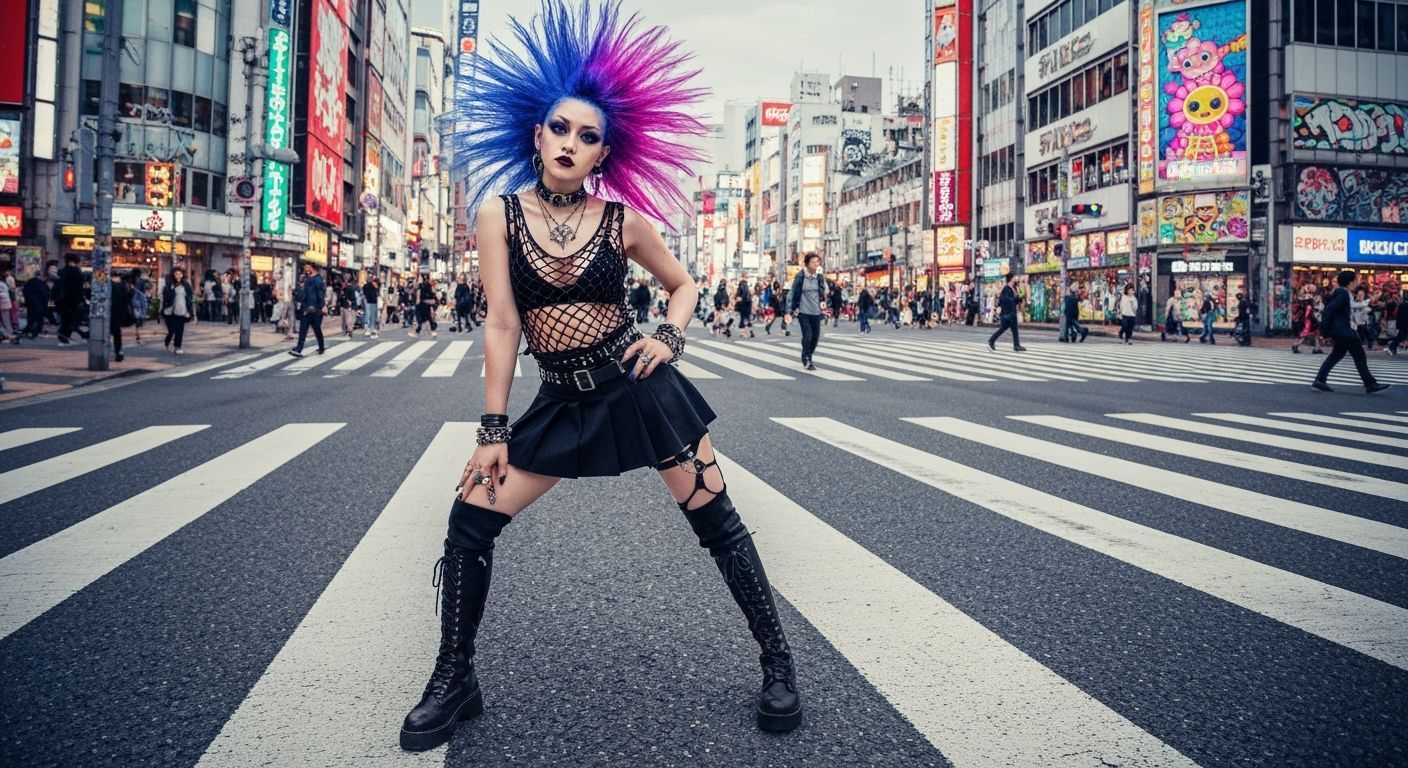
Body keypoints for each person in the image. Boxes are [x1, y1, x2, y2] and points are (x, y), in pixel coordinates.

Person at [398, 3, 802, 752]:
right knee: (469, 520)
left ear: (602, 154)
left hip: (638, 388)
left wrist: (669, 337)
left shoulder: (623, 222)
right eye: (560, 128)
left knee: (717, 522)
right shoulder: (497, 216)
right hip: (560, 398)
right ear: (536, 134)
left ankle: (778, 665)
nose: (570, 143)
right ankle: (455, 677)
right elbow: (502, 324)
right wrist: (492, 428)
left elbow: (683, 286)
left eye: (587, 137)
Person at [1312, 269, 1390, 394]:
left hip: (1342, 331)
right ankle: (1370, 384)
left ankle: (1320, 380)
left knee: (1336, 356)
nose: (1357, 283)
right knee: (1359, 356)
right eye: (1355, 280)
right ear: (1350, 282)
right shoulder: (1342, 292)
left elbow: (1349, 306)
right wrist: (1324, 331)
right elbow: (1329, 309)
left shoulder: (1344, 293)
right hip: (1345, 330)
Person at [788, 252, 827, 370]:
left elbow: (825, 290)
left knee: (815, 338)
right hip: (803, 311)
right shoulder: (800, 276)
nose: (816, 264)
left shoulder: (819, 277)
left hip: (816, 312)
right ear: (807, 264)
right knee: (808, 335)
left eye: (817, 262)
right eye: (813, 262)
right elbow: (793, 292)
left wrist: (823, 298)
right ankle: (807, 360)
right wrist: (788, 311)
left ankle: (807, 352)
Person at [288, 262, 326, 357]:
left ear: (312, 268)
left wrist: (323, 306)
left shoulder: (317, 280)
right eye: (305, 268)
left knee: (317, 329)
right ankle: (299, 348)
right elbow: (305, 293)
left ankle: (321, 347)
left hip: (315, 309)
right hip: (306, 308)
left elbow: (320, 294)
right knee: (303, 329)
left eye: (307, 267)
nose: (305, 269)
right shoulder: (307, 279)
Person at [160, 266, 194, 354]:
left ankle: (177, 346)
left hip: (181, 311)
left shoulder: (186, 286)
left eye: (180, 274)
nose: (179, 276)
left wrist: (191, 312)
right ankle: (167, 342)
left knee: (179, 330)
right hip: (169, 311)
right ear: (173, 275)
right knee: (171, 330)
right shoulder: (168, 285)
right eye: (176, 274)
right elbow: (164, 298)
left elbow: (190, 299)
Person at [986, 273, 1025, 352]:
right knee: (1004, 329)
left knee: (1014, 329)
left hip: (1011, 313)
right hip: (1008, 313)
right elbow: (1005, 300)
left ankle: (1016, 345)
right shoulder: (1006, 289)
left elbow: (1013, 300)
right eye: (1014, 277)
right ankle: (991, 340)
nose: (1016, 279)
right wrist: (1016, 298)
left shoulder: (1013, 288)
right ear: (1011, 279)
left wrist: (1018, 299)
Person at [55, 254, 85, 346]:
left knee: (65, 319)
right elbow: (80, 287)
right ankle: (65, 335)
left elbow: (57, 287)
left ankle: (63, 335)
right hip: (73, 300)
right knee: (72, 319)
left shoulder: (61, 272)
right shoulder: (77, 273)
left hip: (62, 299)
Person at [109, 270, 134, 362]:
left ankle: (109, 351)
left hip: (108, 311)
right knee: (117, 334)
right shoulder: (122, 286)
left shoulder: (107, 285)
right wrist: (131, 291)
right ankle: (118, 352)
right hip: (118, 313)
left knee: (107, 333)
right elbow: (127, 300)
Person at [21, 270, 50, 339]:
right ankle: (35, 333)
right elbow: (46, 295)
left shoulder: (29, 283)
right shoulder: (42, 284)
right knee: (39, 320)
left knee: (30, 318)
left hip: (30, 304)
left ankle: (26, 331)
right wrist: (48, 305)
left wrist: (27, 301)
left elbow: (24, 292)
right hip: (40, 304)